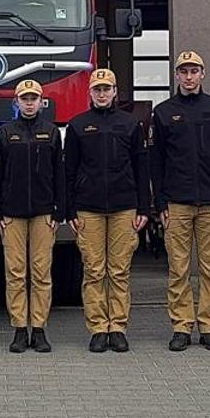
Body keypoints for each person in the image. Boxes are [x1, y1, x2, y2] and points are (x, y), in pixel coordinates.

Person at [150, 50, 210, 352]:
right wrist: (159, 203)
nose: (188, 77)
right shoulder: (163, 113)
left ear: (203, 74)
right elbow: (156, 162)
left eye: (194, 71)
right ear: (176, 76)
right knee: (179, 269)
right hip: (176, 203)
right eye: (183, 71)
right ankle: (181, 326)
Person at [63, 68, 150, 353]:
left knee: (120, 270)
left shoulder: (129, 125)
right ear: (90, 93)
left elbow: (141, 168)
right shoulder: (77, 126)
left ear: (115, 93)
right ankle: (99, 328)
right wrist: (70, 210)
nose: (102, 94)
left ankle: (118, 327)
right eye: (97, 89)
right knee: (94, 270)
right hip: (88, 209)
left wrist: (144, 208)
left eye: (107, 89)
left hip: (125, 207)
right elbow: (69, 170)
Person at [0, 79, 64, 354]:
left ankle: (39, 328)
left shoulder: (52, 132)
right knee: (15, 273)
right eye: (25, 98)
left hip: (44, 214)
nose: (30, 102)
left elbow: (59, 173)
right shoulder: (5, 133)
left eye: (34, 98)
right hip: (11, 214)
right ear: (16, 102)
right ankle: (20, 329)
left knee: (41, 273)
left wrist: (59, 209)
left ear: (41, 102)